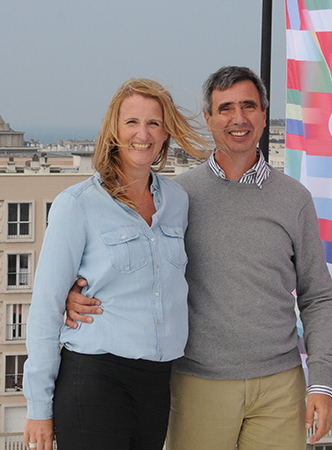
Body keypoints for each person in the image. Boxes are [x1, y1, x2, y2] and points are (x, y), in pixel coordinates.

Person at [67, 66, 332, 449]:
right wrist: (73, 294)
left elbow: (318, 296)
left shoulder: (294, 199)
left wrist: (323, 383)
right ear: (209, 120)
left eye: (249, 106)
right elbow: (139, 272)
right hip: (197, 385)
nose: (238, 118)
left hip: (280, 386)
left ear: (264, 115)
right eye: (225, 108)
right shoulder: (177, 198)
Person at [22, 78, 207, 450]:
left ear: (166, 133)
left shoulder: (177, 201)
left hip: (156, 383)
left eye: (154, 123)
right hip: (95, 379)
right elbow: (45, 307)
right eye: (132, 122)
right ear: (114, 131)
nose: (143, 134)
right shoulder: (78, 205)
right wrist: (38, 407)